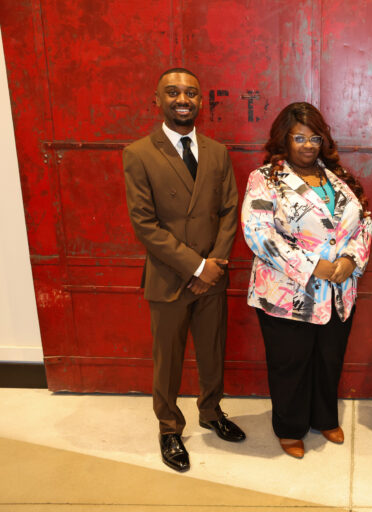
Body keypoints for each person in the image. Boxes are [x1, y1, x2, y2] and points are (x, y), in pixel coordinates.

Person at [123, 68, 245, 473]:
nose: (182, 99)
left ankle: (211, 411)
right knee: (168, 359)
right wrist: (196, 266)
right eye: (173, 92)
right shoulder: (139, 153)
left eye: (190, 93)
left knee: (212, 352)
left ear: (200, 101)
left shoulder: (217, 152)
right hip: (169, 276)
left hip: (213, 275)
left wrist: (214, 265)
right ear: (156, 99)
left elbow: (229, 209)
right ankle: (169, 427)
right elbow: (145, 224)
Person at [241, 102, 372, 459]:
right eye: (299, 138)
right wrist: (313, 266)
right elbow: (258, 233)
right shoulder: (265, 179)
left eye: (315, 138)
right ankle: (289, 427)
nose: (308, 145)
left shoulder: (339, 177)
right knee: (291, 363)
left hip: (339, 290)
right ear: (284, 138)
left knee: (329, 359)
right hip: (287, 293)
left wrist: (351, 259)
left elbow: (365, 221)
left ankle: (324, 418)